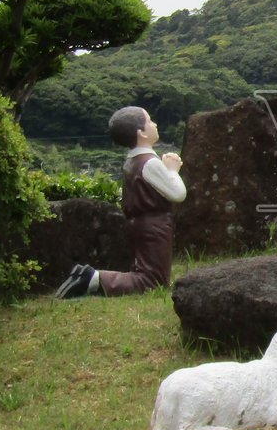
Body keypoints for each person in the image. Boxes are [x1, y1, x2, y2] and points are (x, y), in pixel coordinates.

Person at [55, 106, 186, 299]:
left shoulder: (131, 161)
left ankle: (95, 282)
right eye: (150, 121)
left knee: (144, 271)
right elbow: (178, 193)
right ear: (141, 132)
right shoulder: (150, 162)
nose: (155, 124)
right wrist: (172, 170)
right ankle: (94, 278)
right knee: (153, 281)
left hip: (137, 224)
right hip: (155, 225)